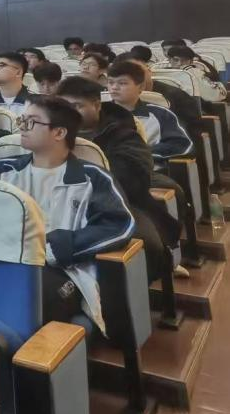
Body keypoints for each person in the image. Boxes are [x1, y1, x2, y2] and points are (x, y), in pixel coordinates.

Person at [0, 96, 134, 332]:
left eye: (31, 121)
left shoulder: (93, 178)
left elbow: (118, 225)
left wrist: (59, 246)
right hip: (2, 262)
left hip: (63, 271)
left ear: (59, 132)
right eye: (22, 120)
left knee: (28, 296)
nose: (22, 127)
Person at [56, 75, 182, 282]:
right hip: (62, 203)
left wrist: (95, 186)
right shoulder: (54, 133)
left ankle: (138, 290)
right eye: (64, 107)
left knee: (146, 244)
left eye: (77, 106)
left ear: (96, 105)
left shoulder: (122, 132)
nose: (69, 113)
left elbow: (135, 176)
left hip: (121, 202)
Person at [106, 60, 192, 159]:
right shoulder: (99, 114)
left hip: (150, 166)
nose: (114, 87)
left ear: (141, 87)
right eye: (110, 82)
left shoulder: (161, 114)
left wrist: (142, 152)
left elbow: (181, 144)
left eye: (122, 83)